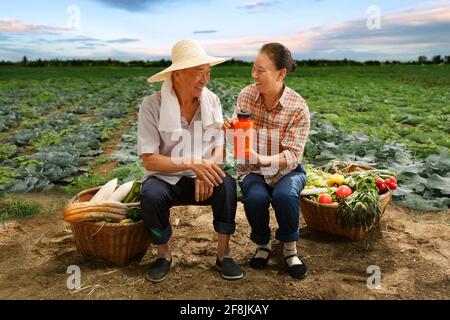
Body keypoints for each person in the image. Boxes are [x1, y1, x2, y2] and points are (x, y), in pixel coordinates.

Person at [138, 39, 243, 283]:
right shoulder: (152, 106)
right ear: (177, 74)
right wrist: (191, 163)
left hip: (202, 176)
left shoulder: (211, 100)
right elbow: (150, 161)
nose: (205, 79)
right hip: (166, 179)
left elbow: (219, 145)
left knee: (227, 185)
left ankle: (223, 255)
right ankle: (163, 254)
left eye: (207, 73)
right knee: (150, 195)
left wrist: (210, 169)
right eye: (198, 73)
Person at [224, 43, 310, 279]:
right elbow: (237, 139)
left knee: (285, 196)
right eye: (253, 69)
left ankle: (290, 249)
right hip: (252, 170)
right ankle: (263, 245)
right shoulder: (247, 95)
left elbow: (293, 155)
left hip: (287, 171)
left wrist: (262, 158)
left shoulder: (298, 107)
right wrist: (230, 131)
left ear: (281, 74)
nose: (254, 75)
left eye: (261, 70)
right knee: (255, 197)